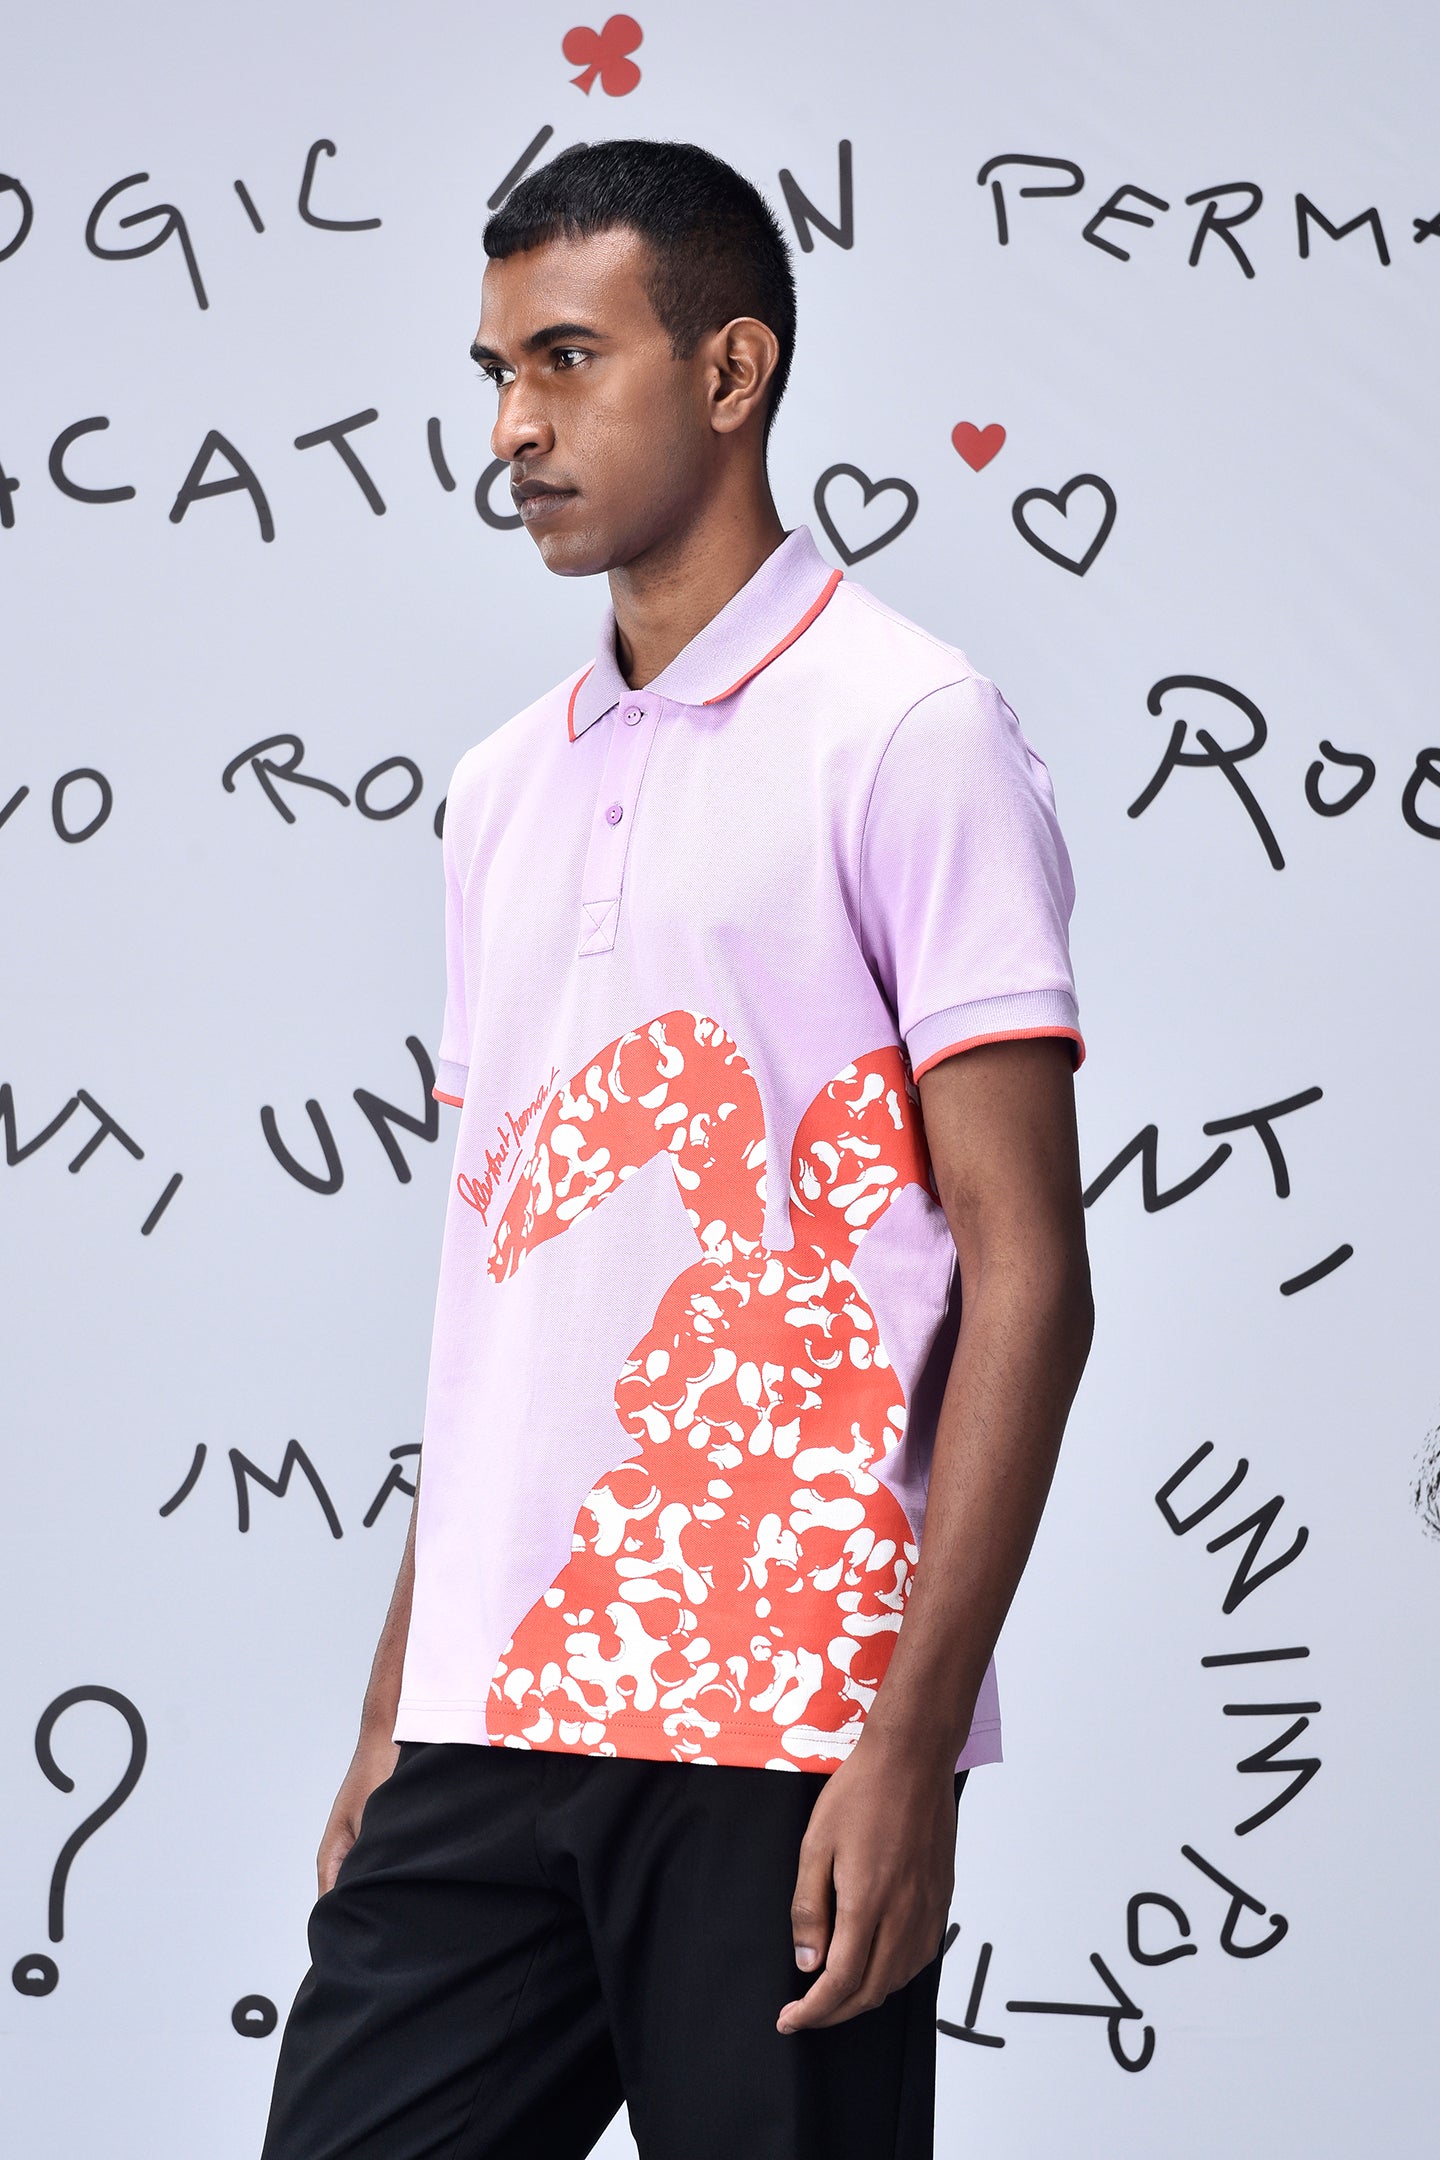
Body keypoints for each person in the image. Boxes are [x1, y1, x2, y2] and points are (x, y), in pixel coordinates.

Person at [260, 139, 1093, 2160]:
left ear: (731, 373)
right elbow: (512, 1292)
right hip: (497, 1706)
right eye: (496, 373)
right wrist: (396, 1711)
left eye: (566, 359)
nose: (512, 429)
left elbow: (1031, 1276)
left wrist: (908, 1741)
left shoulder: (910, 730)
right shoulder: (495, 792)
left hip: (785, 1721)